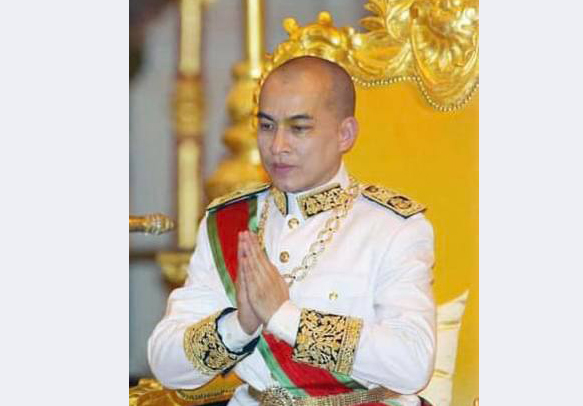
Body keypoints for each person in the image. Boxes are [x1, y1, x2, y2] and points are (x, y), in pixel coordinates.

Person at [148, 56, 436, 406]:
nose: (277, 146)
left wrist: (283, 316)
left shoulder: (392, 227)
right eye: (267, 126)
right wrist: (240, 325)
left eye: (299, 128)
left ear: (345, 134)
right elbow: (167, 365)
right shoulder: (229, 220)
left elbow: (412, 364)